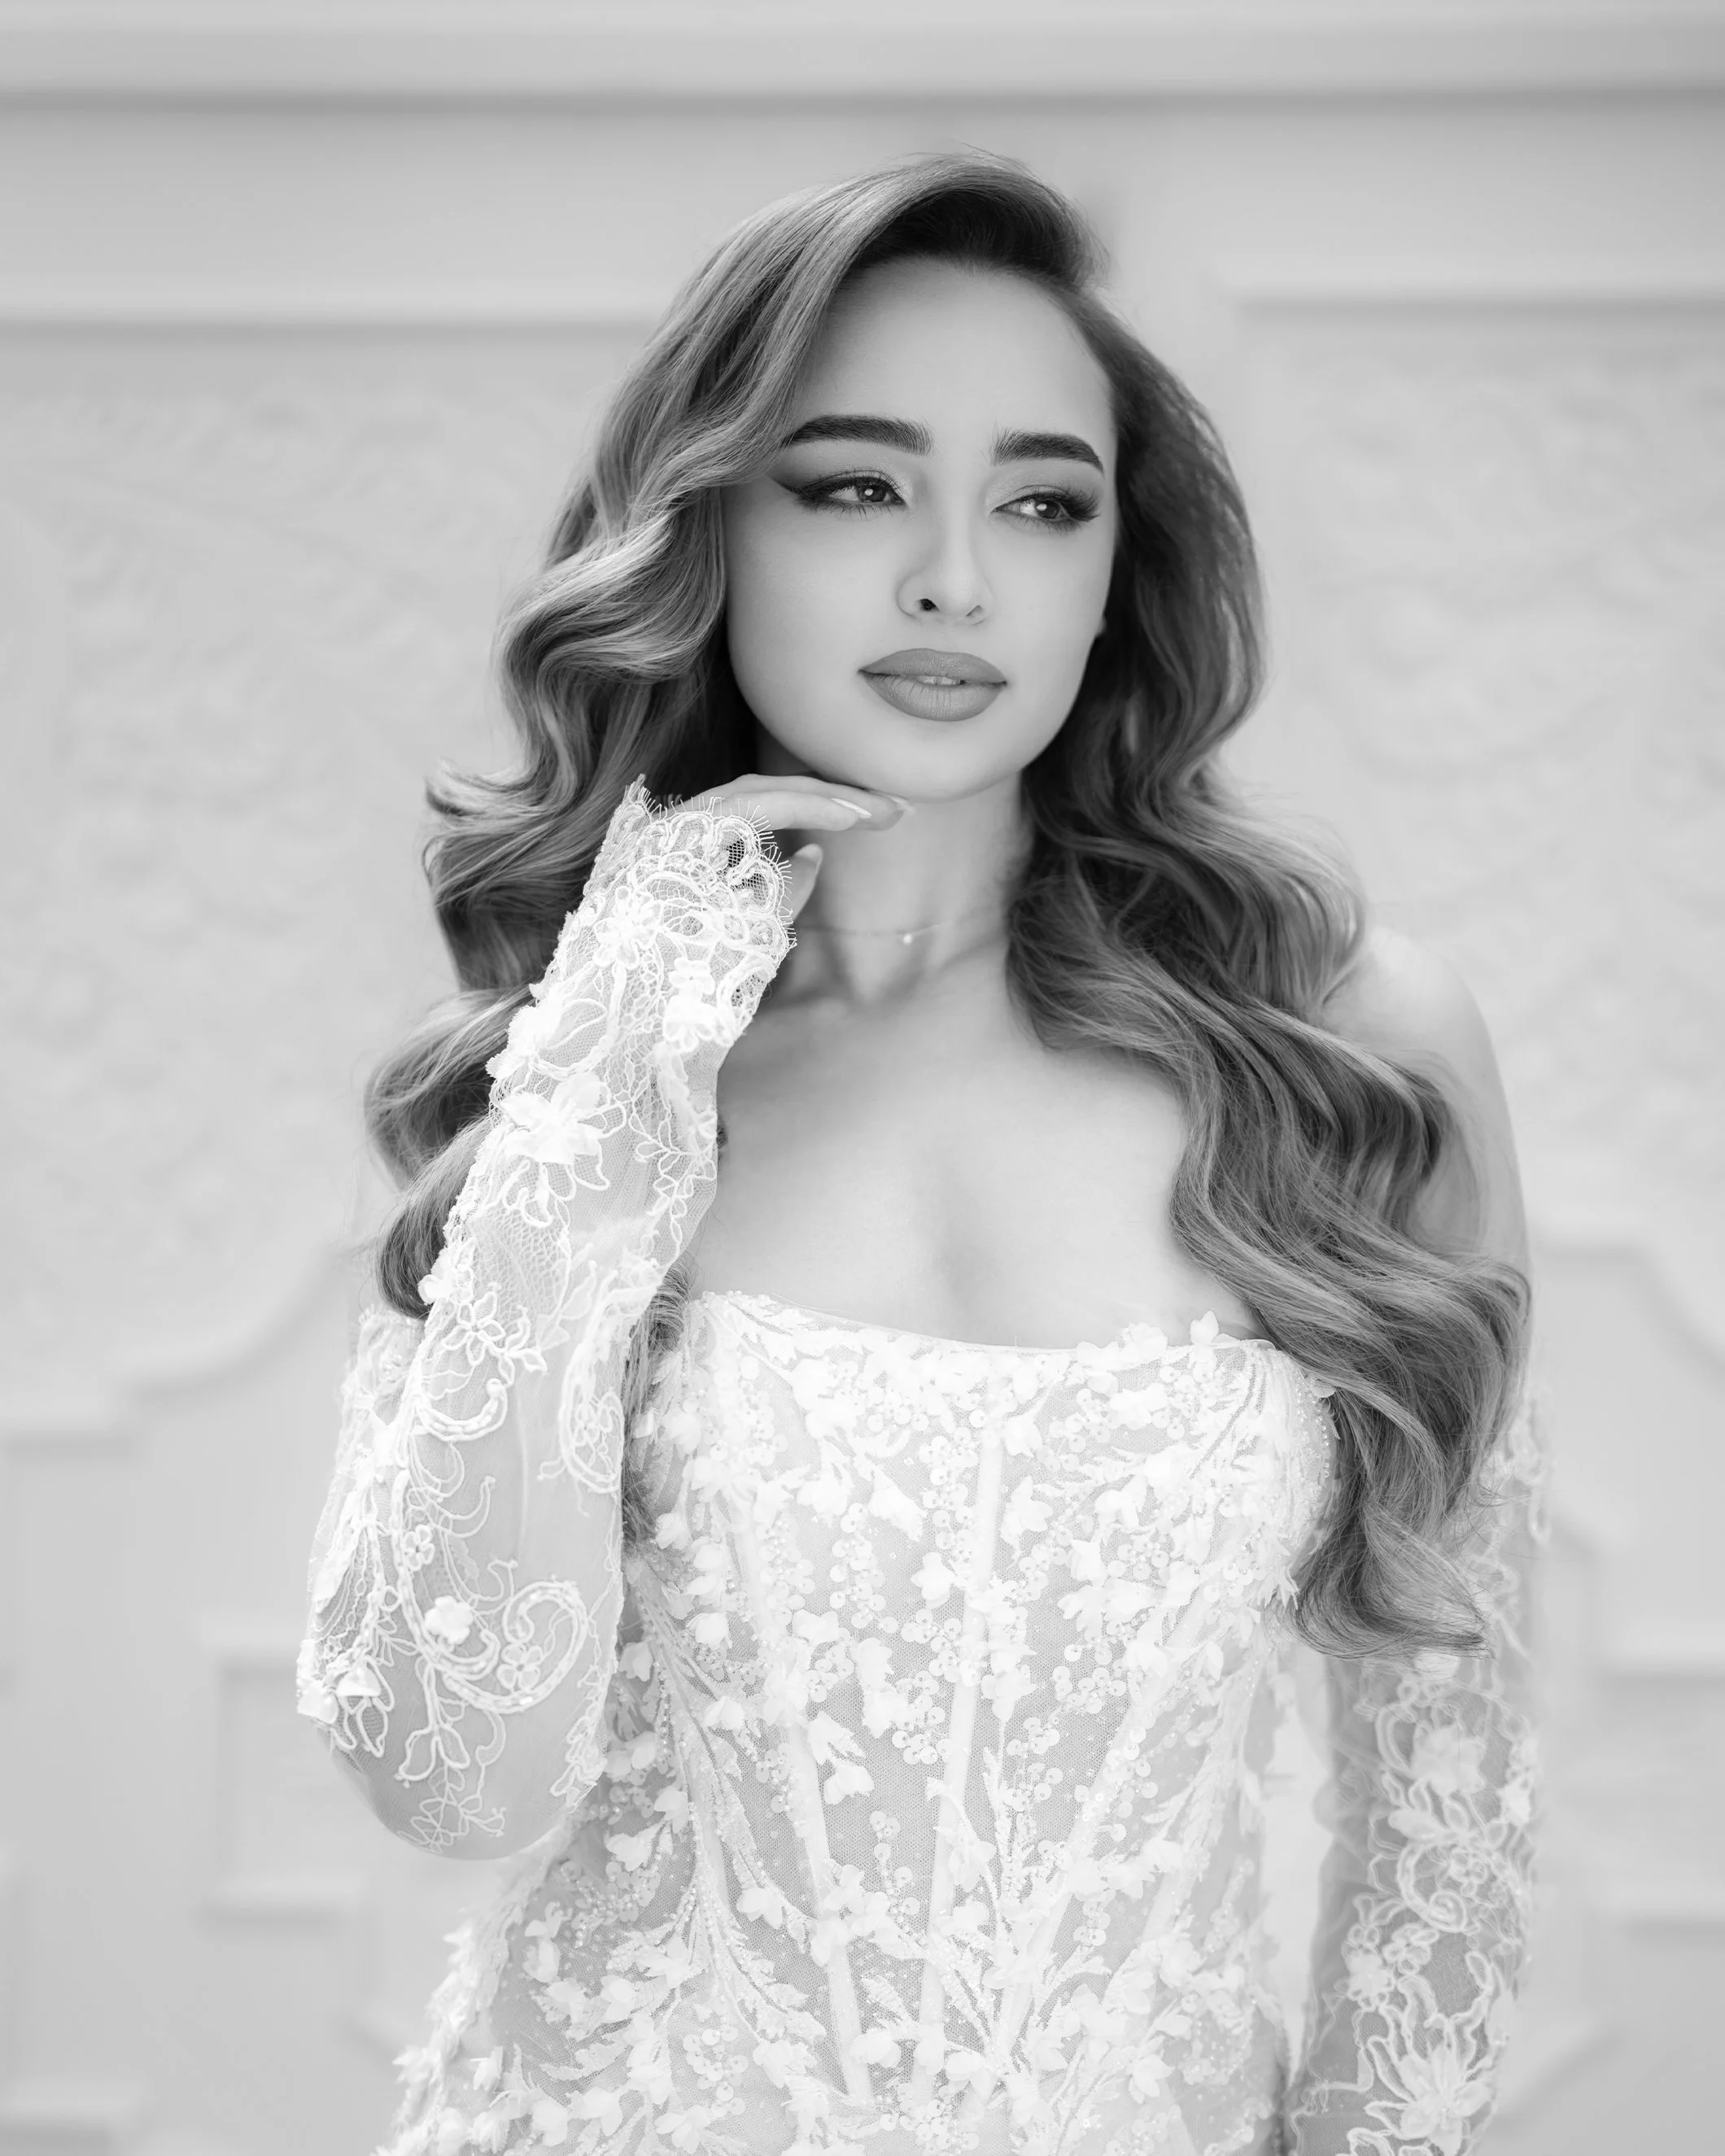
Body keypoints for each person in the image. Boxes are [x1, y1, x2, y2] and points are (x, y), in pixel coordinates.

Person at [296, 150, 1547, 2156]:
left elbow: (1442, 1842)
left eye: (1043, 500)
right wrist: (610, 1051)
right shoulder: (583, 1068)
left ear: (1113, 567)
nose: (956, 575)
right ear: (707, 521)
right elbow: (452, 1771)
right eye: (855, 483)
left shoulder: (1349, 1049)